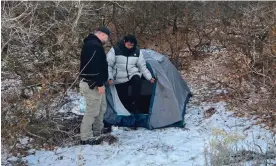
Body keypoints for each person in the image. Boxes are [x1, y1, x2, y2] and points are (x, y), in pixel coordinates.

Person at [107, 34, 155, 114]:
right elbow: (108, 65)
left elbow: (142, 66)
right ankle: (127, 110)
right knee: (123, 96)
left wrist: (150, 78)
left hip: (132, 73)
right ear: (124, 42)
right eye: (128, 45)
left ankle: (136, 104)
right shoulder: (115, 50)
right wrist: (110, 78)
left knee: (137, 80)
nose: (130, 47)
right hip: (120, 76)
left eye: (132, 45)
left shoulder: (137, 52)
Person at [79, 27, 110, 145]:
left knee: (101, 108)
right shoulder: (93, 46)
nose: (106, 40)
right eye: (106, 37)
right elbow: (93, 67)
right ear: (102, 34)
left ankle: (98, 131)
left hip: (96, 83)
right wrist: (100, 83)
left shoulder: (93, 44)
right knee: (92, 111)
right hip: (92, 84)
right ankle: (85, 138)